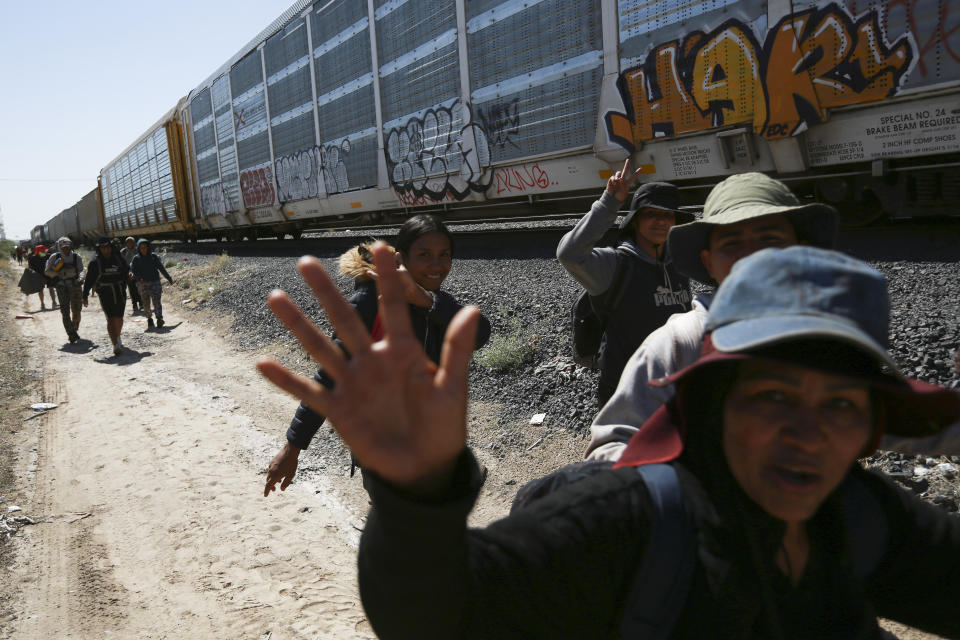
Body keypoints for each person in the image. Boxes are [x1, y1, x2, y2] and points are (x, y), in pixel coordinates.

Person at [258, 244, 960, 638]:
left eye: (840, 403)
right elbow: (446, 618)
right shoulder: (628, 520)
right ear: (711, 405)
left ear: (872, 426)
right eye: (774, 397)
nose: (808, 434)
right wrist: (416, 498)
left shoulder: (867, 517)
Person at [585, 172, 839, 460]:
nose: (752, 256)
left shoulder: (828, 338)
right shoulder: (678, 344)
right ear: (708, 262)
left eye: (770, 239)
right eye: (732, 243)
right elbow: (615, 443)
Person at [263, 214, 492, 497]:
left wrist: (426, 301)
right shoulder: (370, 302)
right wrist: (292, 447)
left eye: (444, 255)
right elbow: (331, 375)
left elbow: (480, 334)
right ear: (400, 259)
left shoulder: (434, 300)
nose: (437, 265)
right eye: (424, 255)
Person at [557, 158, 694, 405]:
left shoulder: (678, 264)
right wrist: (609, 203)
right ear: (635, 221)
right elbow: (570, 254)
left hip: (675, 384)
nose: (662, 221)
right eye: (651, 214)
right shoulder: (614, 265)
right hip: (626, 390)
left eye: (668, 215)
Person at [83, 237, 130, 355]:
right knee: (110, 319)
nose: (106, 250)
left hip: (119, 292)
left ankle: (118, 337)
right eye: (103, 248)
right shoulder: (95, 263)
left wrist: (131, 276)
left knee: (119, 318)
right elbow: (89, 280)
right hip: (105, 293)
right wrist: (85, 295)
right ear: (99, 249)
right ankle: (115, 345)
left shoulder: (119, 259)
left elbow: (127, 272)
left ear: (111, 247)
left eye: (107, 247)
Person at [45, 237, 85, 343]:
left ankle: (74, 329)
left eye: (67, 247)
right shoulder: (54, 257)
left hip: (75, 286)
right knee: (65, 311)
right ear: (59, 247)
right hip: (62, 286)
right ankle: (71, 333)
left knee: (77, 310)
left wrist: (80, 278)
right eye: (63, 247)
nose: (65, 249)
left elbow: (82, 270)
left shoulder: (76, 257)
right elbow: (47, 271)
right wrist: (57, 276)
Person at [129, 238, 173, 330]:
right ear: (138, 248)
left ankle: (159, 318)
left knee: (156, 301)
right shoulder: (136, 259)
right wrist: (136, 277)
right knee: (146, 303)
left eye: (145, 247)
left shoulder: (153, 257)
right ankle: (149, 318)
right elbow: (133, 270)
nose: (143, 249)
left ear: (148, 247)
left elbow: (161, 268)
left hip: (155, 282)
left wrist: (168, 278)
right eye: (141, 248)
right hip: (142, 284)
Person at [28, 245, 57, 310]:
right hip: (48, 274)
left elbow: (31, 268)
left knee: (40, 290)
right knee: (51, 288)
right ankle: (54, 302)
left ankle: (42, 304)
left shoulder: (33, 258)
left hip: (39, 275)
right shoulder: (48, 256)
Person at [120, 236, 142, 312]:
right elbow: (121, 262)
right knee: (132, 288)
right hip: (127, 272)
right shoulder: (123, 251)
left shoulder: (138, 250)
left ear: (134, 243)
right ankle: (134, 304)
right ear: (126, 244)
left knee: (139, 287)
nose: (130, 244)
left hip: (138, 271)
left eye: (131, 242)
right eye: (128, 242)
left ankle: (141, 302)